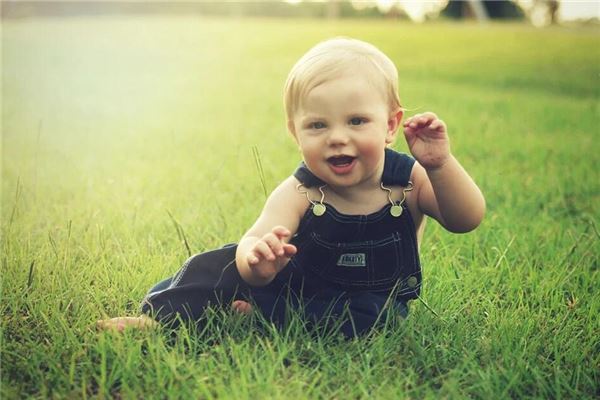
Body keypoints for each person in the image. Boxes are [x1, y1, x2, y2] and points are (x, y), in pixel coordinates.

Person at [97, 37, 485, 338]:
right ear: (295, 133)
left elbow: (465, 219)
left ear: (389, 125)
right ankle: (161, 317)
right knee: (218, 265)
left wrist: (440, 165)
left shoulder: (411, 180)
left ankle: (260, 319)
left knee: (374, 318)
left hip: (368, 302)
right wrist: (257, 261)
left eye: (356, 121)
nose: (337, 137)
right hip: (294, 286)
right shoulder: (300, 191)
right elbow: (255, 238)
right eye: (318, 125)